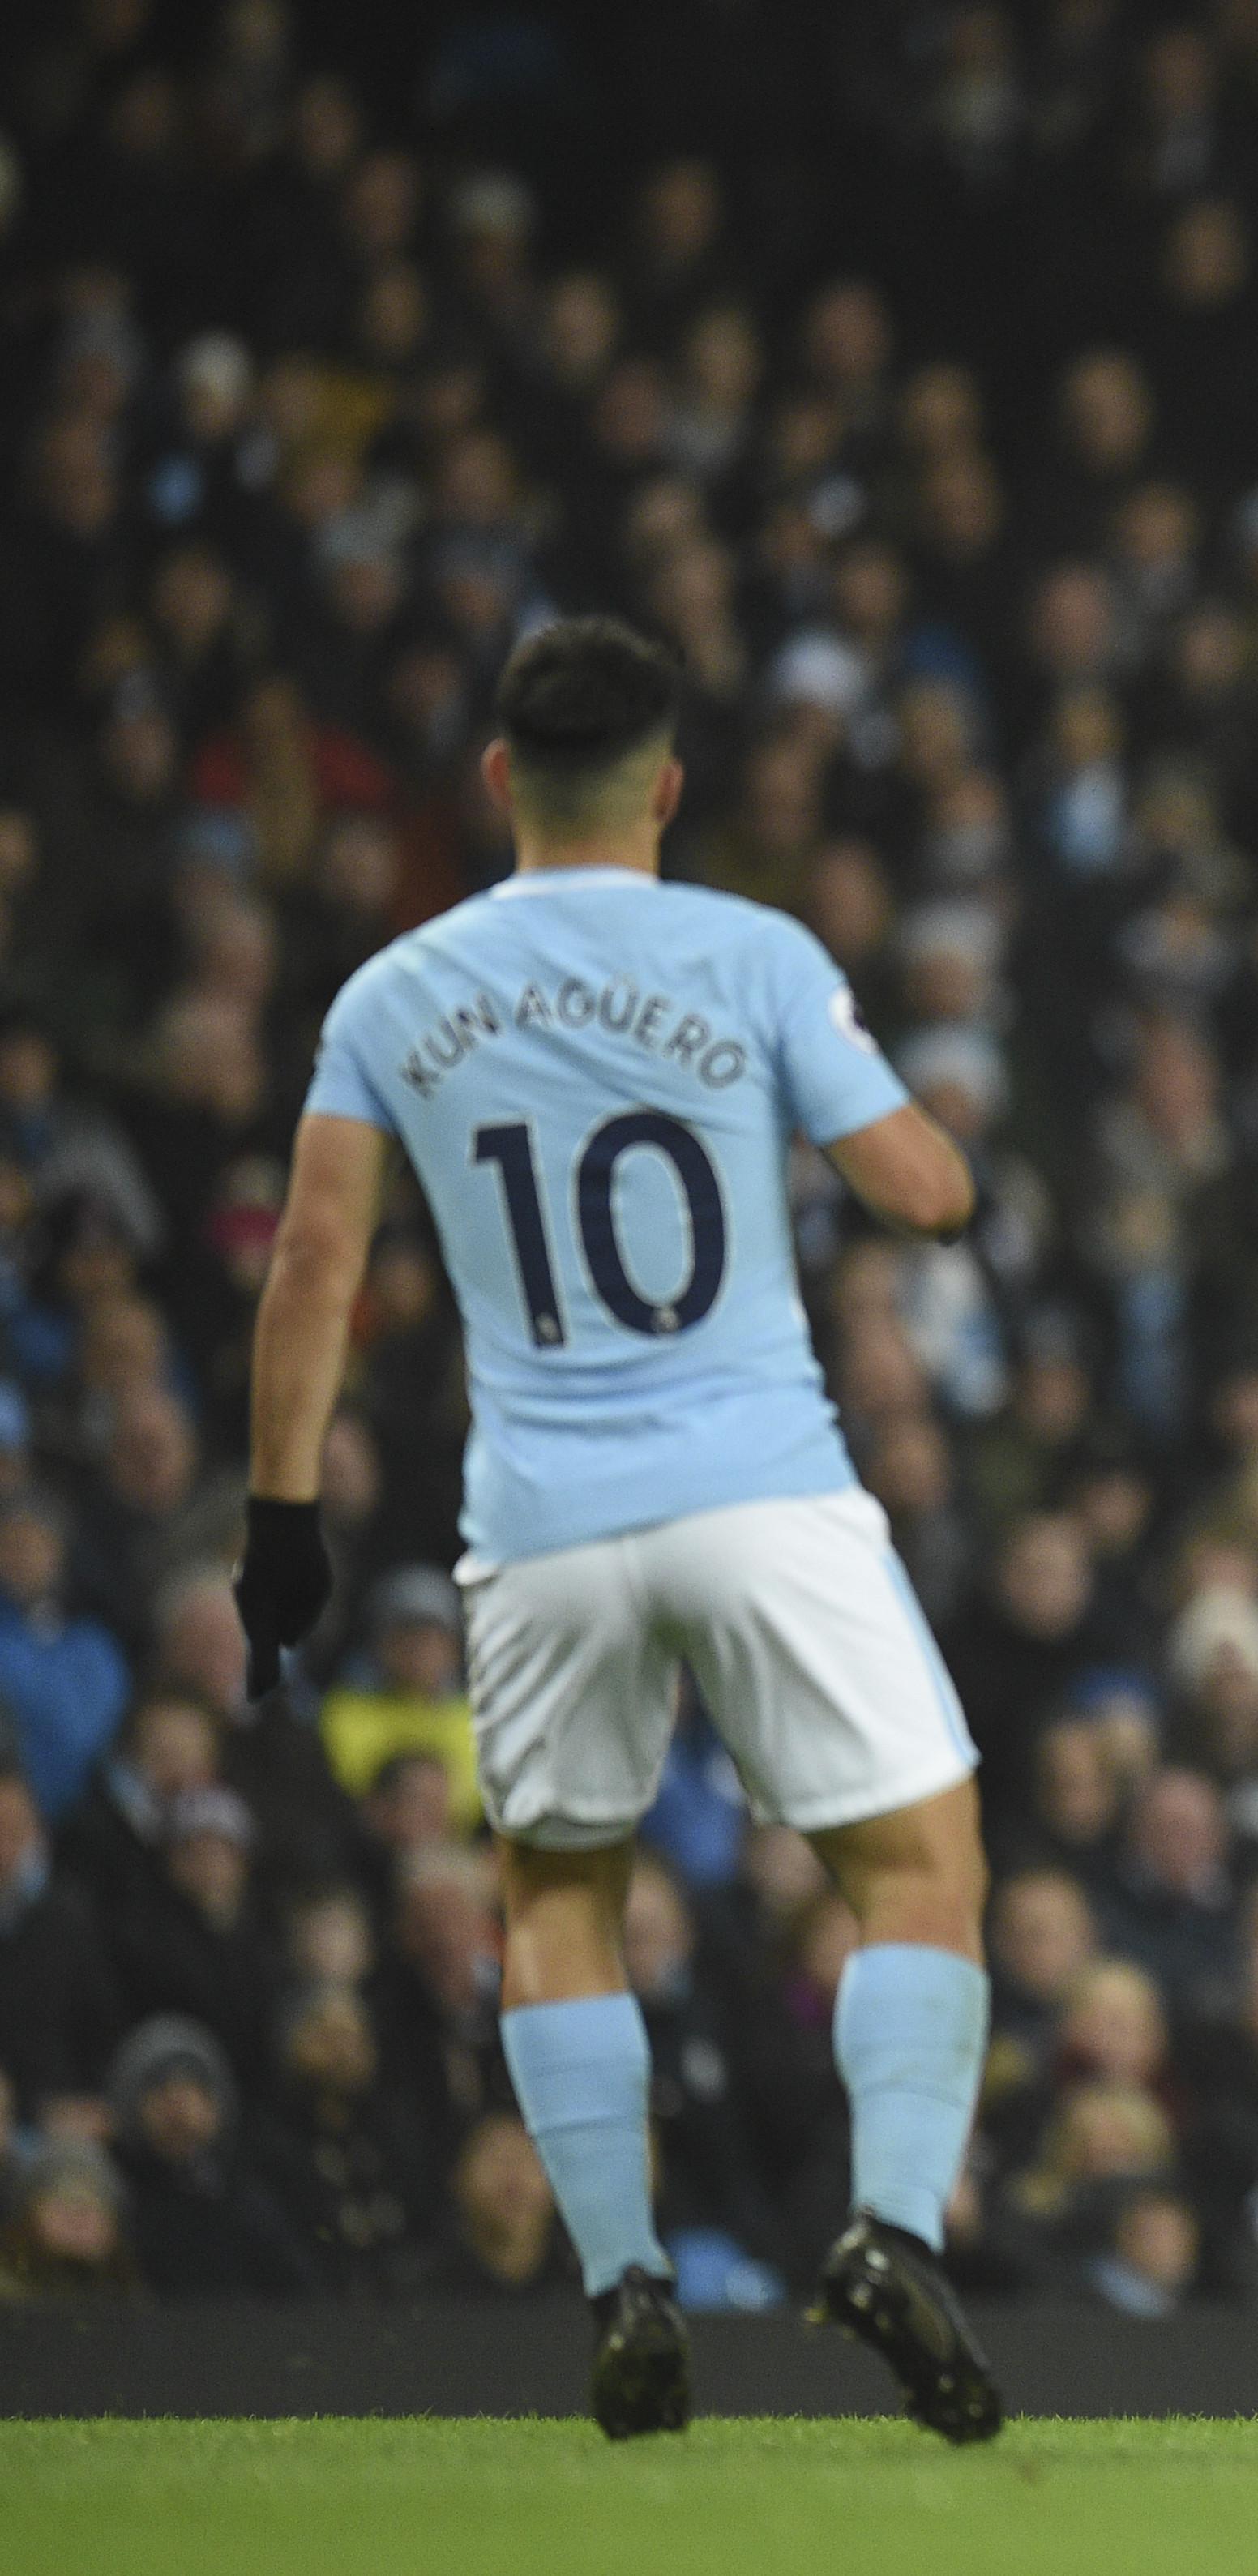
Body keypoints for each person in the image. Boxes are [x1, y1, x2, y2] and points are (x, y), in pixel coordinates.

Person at [231, 618, 1003, 2441]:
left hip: (543, 1515)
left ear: (500, 782)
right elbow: (927, 1195)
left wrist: (281, 1515)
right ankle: (891, 2228)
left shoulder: (393, 993)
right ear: (666, 786)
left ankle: (621, 2279)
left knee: (557, 1888)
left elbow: (317, 1260)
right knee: (916, 1867)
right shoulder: (751, 954)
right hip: (761, 1489)